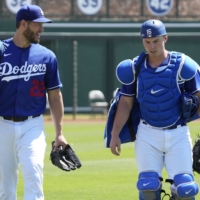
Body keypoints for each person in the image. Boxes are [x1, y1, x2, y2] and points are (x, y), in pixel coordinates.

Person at [109, 19, 200, 200]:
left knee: (185, 188)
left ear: (165, 38)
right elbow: (126, 103)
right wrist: (114, 134)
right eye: (147, 42)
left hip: (178, 133)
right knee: (148, 187)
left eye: (156, 41)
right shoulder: (134, 68)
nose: (152, 46)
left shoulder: (183, 65)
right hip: (148, 134)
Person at [0, 5, 68, 200]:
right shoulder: (2, 51)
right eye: (38, 24)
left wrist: (60, 133)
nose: (42, 29)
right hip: (2, 125)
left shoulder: (47, 56)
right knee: (5, 188)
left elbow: (55, 97)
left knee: (33, 173)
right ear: (23, 24)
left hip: (33, 125)